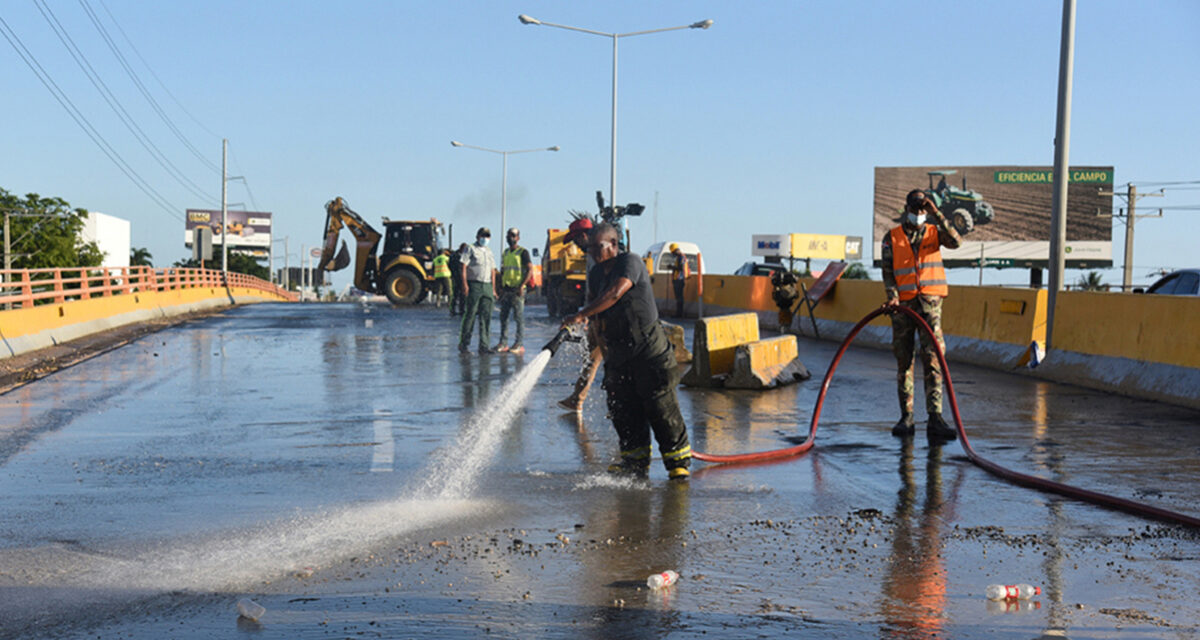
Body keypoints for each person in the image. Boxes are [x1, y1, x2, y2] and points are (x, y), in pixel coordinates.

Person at [563, 222, 692, 480]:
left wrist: (580, 315)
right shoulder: (597, 274)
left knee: (660, 405)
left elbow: (615, 294)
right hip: (619, 353)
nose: (591, 252)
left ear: (613, 244)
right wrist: (602, 344)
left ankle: (677, 462)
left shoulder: (630, 262)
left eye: (596, 247)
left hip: (649, 350)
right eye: (589, 248)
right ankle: (634, 461)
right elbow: (596, 308)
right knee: (623, 407)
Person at [882, 189, 962, 441]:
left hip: (929, 306)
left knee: (933, 360)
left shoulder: (934, 232)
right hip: (903, 308)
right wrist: (892, 295)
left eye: (922, 209)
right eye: (915, 208)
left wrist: (937, 212)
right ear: (906, 208)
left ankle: (935, 418)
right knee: (904, 361)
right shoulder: (892, 237)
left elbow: (957, 241)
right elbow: (887, 271)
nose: (918, 213)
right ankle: (906, 417)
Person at [558, 217, 602, 412]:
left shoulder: (599, 254)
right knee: (591, 358)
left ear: (584, 236)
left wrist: (586, 314)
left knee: (616, 364)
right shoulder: (591, 256)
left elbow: (607, 290)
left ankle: (628, 405)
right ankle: (577, 398)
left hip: (607, 317)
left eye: (576, 240)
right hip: (597, 316)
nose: (575, 245)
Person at [458, 228, 498, 354]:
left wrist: (493, 289)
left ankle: (484, 345)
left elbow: (493, 271)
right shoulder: (470, 248)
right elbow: (463, 266)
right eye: (483, 236)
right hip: (474, 284)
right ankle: (464, 344)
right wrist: (464, 284)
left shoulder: (489, 251)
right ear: (477, 236)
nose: (485, 238)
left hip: (487, 285)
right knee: (470, 315)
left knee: (486, 316)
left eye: (487, 236)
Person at [494, 227, 533, 355]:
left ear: (518, 238)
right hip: (506, 290)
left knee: (518, 318)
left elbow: (529, 270)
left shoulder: (523, 252)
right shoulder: (505, 253)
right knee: (503, 317)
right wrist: (499, 287)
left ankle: (519, 344)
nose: (510, 238)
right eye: (508, 235)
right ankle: (503, 343)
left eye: (513, 235)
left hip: (517, 290)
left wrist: (522, 286)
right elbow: (503, 271)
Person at [668, 243, 690, 318]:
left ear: (675, 251)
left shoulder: (681, 257)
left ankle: (679, 314)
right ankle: (678, 313)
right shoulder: (680, 257)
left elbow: (680, 268)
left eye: (673, 252)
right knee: (678, 297)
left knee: (679, 297)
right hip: (677, 279)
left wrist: (672, 267)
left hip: (679, 279)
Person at [448, 243, 468, 316]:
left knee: (461, 295)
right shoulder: (456, 256)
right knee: (457, 294)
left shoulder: (454, 255)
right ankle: (455, 310)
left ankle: (460, 309)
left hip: (459, 277)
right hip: (457, 277)